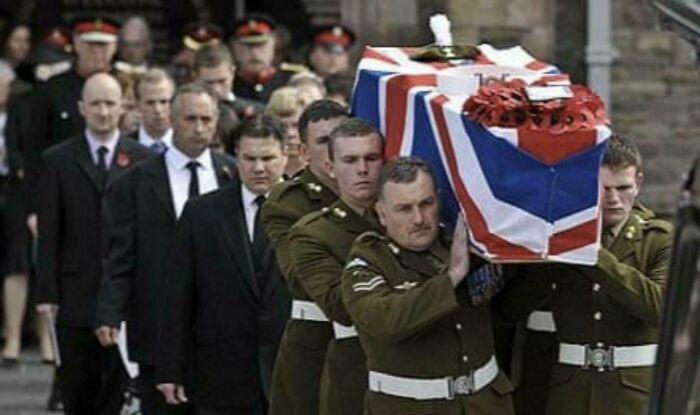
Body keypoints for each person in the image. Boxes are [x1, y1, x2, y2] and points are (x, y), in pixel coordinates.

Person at [495, 134, 673, 415]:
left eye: (623, 187)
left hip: (635, 396)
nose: (614, 199)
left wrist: (591, 252)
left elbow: (663, 310)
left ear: (638, 183)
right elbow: (509, 310)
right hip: (570, 391)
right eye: (604, 188)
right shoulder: (559, 239)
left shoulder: (659, 239)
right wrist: (548, 251)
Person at [94, 82, 236, 415]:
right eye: (189, 119)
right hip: (157, 322)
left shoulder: (232, 173)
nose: (198, 128)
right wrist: (110, 310)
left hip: (222, 327)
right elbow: (121, 254)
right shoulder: (136, 182)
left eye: (205, 119)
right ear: (171, 120)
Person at [340, 156, 514, 414]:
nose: (419, 218)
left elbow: (509, 309)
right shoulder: (368, 261)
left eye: (426, 203)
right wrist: (452, 277)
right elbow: (386, 322)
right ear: (382, 213)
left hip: (485, 403)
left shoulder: (465, 247)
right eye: (404, 208)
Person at [34, 72, 151, 415]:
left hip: (126, 298)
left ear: (123, 108)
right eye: (96, 104)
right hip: (75, 294)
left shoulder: (142, 159)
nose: (103, 112)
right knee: (77, 390)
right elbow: (49, 231)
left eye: (110, 104)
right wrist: (46, 293)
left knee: (119, 392)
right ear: (82, 108)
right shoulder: (57, 159)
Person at [156, 115, 290, 415]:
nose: (258, 168)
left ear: (285, 156)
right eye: (249, 158)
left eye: (267, 158)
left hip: (291, 372)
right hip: (220, 374)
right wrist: (171, 368)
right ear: (236, 158)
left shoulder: (308, 213)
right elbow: (179, 294)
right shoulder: (201, 213)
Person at [287, 118, 384, 415]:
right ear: (330, 168)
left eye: (371, 158)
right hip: (355, 372)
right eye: (350, 160)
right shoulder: (313, 233)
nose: (363, 169)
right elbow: (339, 306)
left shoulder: (411, 222)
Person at [262, 100, 347, 415]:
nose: (334, 149)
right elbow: (301, 279)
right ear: (304, 151)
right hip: (317, 348)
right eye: (324, 142)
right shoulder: (287, 204)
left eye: (342, 137)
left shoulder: (380, 193)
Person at [191, 43, 264, 153]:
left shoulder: (258, 112)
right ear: (194, 77)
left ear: (233, 72)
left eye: (222, 81)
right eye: (208, 83)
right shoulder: (181, 114)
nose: (216, 89)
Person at [230, 14, 303, 104]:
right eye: (247, 46)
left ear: (274, 46)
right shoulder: (225, 81)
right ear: (234, 48)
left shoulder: (292, 79)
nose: (254, 53)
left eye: (261, 45)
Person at [264, 86, 308, 177]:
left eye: (296, 126)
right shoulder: (262, 172)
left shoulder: (323, 170)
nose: (290, 134)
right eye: (283, 126)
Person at [129, 68, 175, 152]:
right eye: (150, 103)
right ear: (137, 105)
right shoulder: (124, 147)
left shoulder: (188, 145)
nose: (158, 110)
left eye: (163, 102)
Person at [169, 21, 223, 86]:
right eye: (193, 51)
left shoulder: (226, 72)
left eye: (206, 51)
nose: (199, 56)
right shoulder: (173, 73)